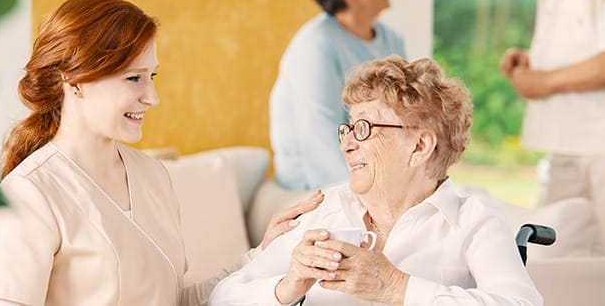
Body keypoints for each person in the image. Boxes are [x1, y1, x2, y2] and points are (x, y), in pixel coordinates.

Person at [0, 0, 323, 305]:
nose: (152, 98)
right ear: (75, 80)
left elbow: (177, 301)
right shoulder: (29, 193)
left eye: (152, 77)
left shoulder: (153, 176)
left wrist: (266, 255)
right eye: (134, 78)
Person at [210, 56, 543, 306]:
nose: (347, 143)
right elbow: (221, 298)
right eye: (348, 128)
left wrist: (395, 285)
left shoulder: (473, 220)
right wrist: (287, 286)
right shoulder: (327, 212)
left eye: (364, 128)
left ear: (419, 146)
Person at [499, 0, 605, 251]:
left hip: (598, 141)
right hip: (565, 142)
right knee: (553, 250)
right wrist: (534, 59)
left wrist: (542, 82)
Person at [269, 0, 406, 191]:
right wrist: (363, 195)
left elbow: (404, 117)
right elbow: (319, 143)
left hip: (375, 176)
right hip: (313, 187)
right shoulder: (315, 44)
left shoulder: (392, 40)